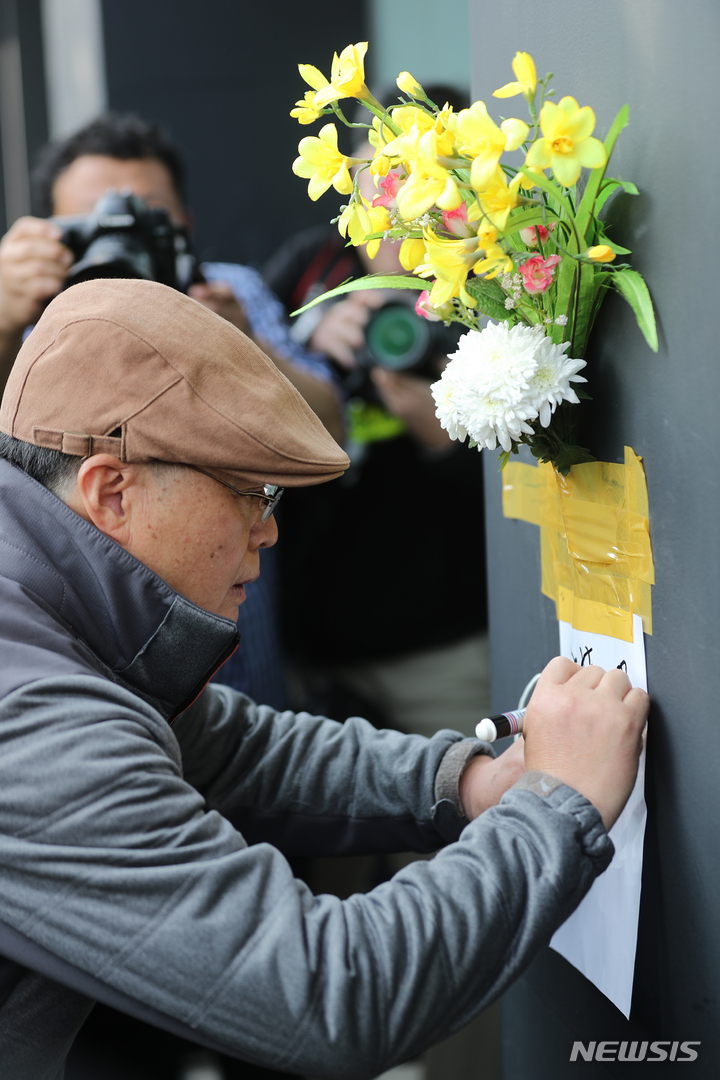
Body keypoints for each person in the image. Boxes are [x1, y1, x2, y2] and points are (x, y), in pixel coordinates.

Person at [0, 276, 648, 1078]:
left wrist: (469, 783)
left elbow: (234, 750)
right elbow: (328, 992)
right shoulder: (34, 719)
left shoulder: (42, 606)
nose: (269, 531)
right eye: (251, 492)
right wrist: (558, 808)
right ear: (111, 491)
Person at [0, 112, 343, 712]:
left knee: (249, 758)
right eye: (94, 219)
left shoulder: (225, 291)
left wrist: (243, 351)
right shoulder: (25, 311)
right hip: (90, 675)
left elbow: (328, 428)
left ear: (183, 223)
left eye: (143, 215)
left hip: (241, 648)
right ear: (52, 231)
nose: (120, 235)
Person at [265, 136, 488, 740]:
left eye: (415, 209)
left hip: (444, 649)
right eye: (375, 212)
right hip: (319, 643)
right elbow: (243, 390)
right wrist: (308, 348)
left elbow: (527, 486)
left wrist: (444, 437)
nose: (392, 236)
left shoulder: (493, 286)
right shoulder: (311, 272)